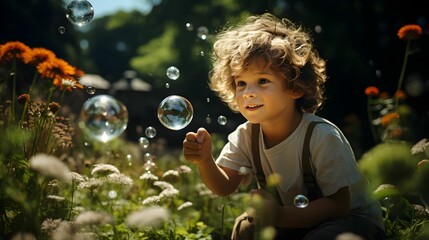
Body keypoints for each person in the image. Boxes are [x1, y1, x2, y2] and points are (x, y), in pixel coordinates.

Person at [183, 13, 384, 240]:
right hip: (296, 221)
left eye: (262, 81)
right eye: (241, 83)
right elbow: (224, 186)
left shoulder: (321, 136)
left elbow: (338, 206)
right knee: (245, 228)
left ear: (295, 88)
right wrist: (205, 160)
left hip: (352, 223)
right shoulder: (246, 136)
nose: (248, 91)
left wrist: (279, 216)